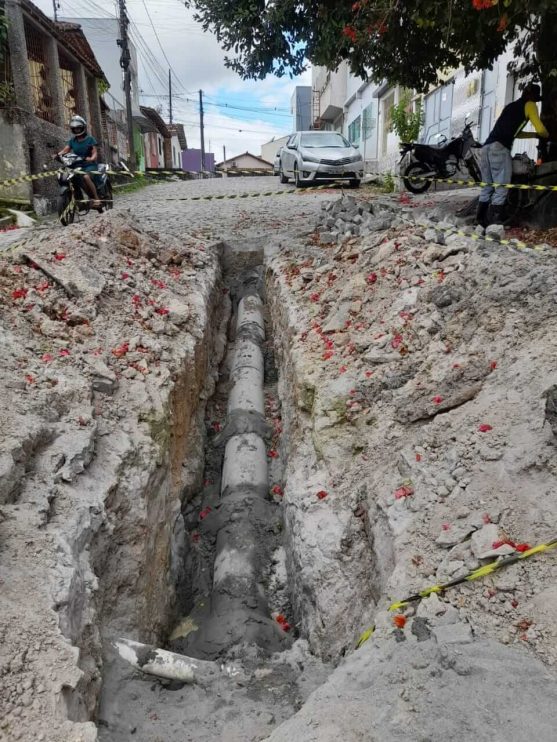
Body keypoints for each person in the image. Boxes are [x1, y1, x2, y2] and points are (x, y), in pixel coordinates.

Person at [476, 83, 549, 227]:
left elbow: (516, 133)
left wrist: (534, 135)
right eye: (535, 98)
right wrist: (546, 135)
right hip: (500, 148)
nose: (535, 102)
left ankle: (480, 221)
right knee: (502, 186)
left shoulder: (511, 106)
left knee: (487, 187)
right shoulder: (530, 105)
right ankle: (496, 222)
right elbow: (541, 129)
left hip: (486, 148)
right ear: (531, 96)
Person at [54, 115, 102, 208]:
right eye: (74, 129)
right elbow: (65, 150)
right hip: (77, 164)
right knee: (69, 176)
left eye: (78, 128)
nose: (77, 130)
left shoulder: (90, 139)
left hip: (89, 165)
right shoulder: (72, 141)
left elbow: (94, 152)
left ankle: (96, 199)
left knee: (86, 177)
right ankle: (78, 199)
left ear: (83, 127)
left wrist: (91, 158)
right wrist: (57, 155)